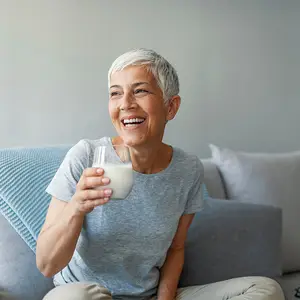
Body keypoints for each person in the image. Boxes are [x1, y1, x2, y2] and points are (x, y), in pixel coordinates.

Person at [36, 48, 284, 300]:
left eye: (140, 91)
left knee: (265, 289)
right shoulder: (86, 156)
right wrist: (76, 207)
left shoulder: (187, 170)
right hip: (85, 294)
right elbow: (46, 265)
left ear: (171, 106)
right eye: (115, 93)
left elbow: (175, 249)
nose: (125, 104)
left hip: (148, 296)